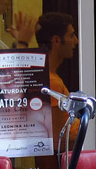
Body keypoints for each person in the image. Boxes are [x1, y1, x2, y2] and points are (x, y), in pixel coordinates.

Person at [34, 12, 80, 144]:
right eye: (71, 35)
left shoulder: (51, 77)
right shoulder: (52, 83)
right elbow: (58, 140)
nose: (76, 41)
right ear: (56, 41)